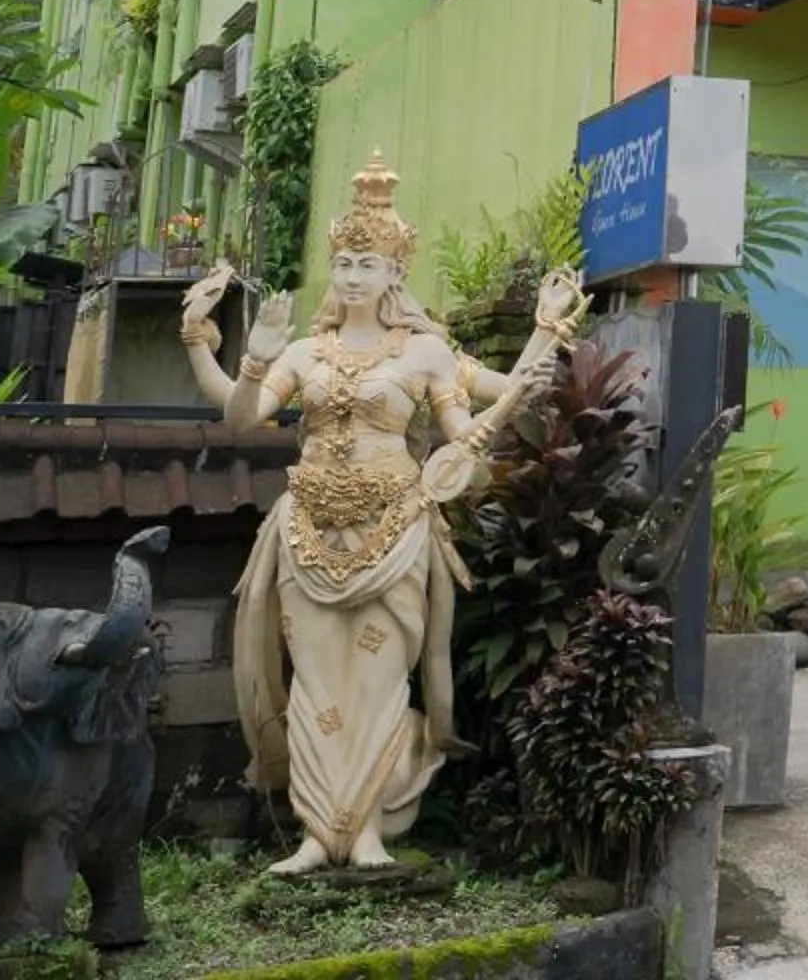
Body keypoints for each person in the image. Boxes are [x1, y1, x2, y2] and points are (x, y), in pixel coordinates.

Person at [179, 154, 577, 875]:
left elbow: (467, 435)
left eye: (368, 263)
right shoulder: (302, 350)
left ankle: (363, 831)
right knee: (315, 685)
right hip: (307, 529)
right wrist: (240, 356)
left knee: (379, 683)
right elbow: (241, 421)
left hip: (394, 530)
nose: (353, 275)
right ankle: (312, 833)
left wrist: (541, 343)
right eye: (345, 263)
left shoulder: (425, 352)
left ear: (396, 274)